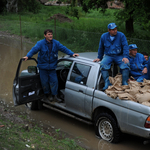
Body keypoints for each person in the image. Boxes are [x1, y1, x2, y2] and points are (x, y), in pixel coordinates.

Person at [23, 29, 79, 101]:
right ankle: (47, 95)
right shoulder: (40, 43)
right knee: (45, 82)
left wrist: (72, 53)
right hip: (43, 68)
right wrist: (28, 56)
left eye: (51, 34)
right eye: (49, 34)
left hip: (52, 67)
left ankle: (55, 95)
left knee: (54, 81)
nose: (50, 35)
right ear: (45, 35)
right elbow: (33, 50)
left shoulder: (56, 43)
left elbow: (63, 48)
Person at [93, 23, 130, 90]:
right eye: (113, 30)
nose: (115, 31)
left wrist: (125, 56)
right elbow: (101, 47)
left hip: (119, 56)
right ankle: (107, 83)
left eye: (115, 29)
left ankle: (124, 82)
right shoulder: (104, 36)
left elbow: (125, 46)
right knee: (103, 64)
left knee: (126, 64)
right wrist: (99, 57)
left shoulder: (121, 35)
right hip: (108, 55)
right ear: (109, 30)